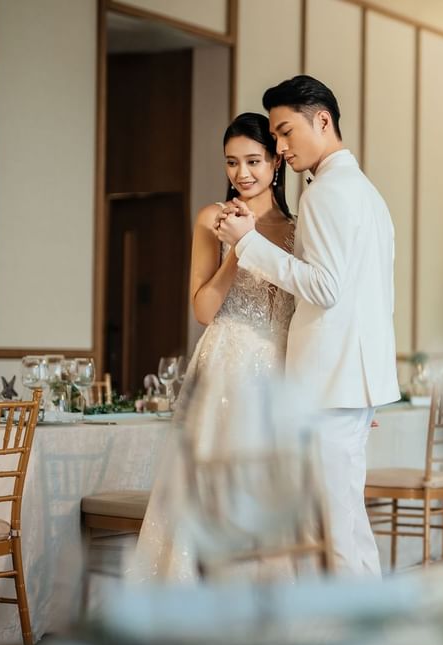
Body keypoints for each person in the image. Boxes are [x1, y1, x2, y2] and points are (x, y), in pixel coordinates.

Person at [215, 75, 399, 577]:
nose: (280, 146)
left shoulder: (327, 193)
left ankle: (348, 643)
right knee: (346, 522)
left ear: (322, 120)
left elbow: (325, 288)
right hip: (350, 380)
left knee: (332, 527)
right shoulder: (366, 193)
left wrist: (249, 245)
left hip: (328, 383)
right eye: (275, 135)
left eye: (285, 131)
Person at [127, 112, 296, 583]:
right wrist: (236, 248)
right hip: (223, 365)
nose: (242, 174)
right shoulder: (211, 218)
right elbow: (203, 310)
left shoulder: (298, 228)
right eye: (232, 163)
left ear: (276, 163)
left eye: (254, 161)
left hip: (276, 372)